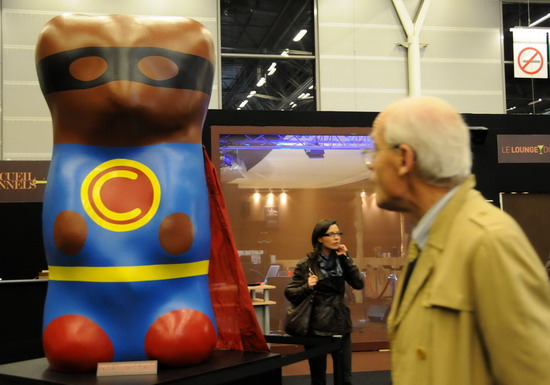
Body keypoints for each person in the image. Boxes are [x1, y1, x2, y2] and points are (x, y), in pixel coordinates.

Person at [365, 96, 550, 385]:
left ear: (404, 158)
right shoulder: (427, 242)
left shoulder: (488, 241)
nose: (370, 165)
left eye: (375, 151)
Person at [284, 218, 364, 385]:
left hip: (341, 323)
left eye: (338, 233)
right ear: (320, 238)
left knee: (344, 377)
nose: (337, 238)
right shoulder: (306, 264)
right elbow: (291, 293)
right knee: (318, 378)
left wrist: (348, 259)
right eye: (331, 234)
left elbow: (358, 283)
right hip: (317, 327)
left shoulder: (342, 260)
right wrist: (307, 286)